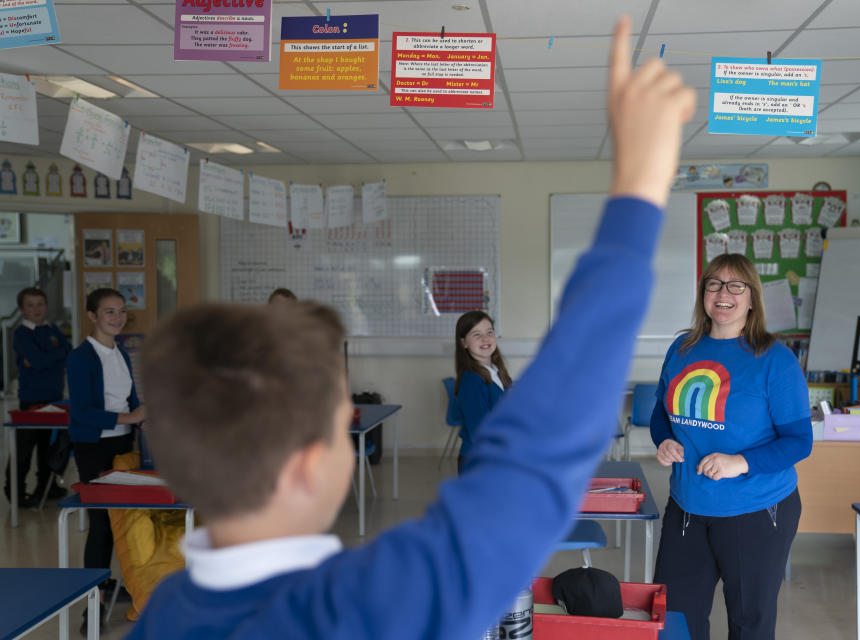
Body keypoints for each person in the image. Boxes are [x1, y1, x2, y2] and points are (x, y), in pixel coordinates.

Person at [128, 16, 695, 639]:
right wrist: (641, 184)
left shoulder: (164, 613)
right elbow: (534, 460)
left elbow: (534, 455)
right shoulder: (373, 605)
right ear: (310, 467)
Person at [650, 254, 813, 640]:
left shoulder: (775, 360)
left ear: (752, 298)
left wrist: (740, 462)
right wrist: (665, 440)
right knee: (675, 622)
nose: (723, 293)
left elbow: (799, 441)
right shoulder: (681, 349)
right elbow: (661, 410)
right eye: (714, 284)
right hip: (687, 508)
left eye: (735, 285)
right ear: (703, 294)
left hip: (756, 511)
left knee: (748, 624)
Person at [67, 288, 146, 631]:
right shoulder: (82, 356)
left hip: (123, 446)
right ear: (92, 316)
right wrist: (130, 418)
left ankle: (118, 582)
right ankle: (92, 607)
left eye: (121, 311)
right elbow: (83, 413)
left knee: (124, 523)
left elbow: (129, 399)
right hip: (94, 448)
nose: (117, 317)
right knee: (101, 526)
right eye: (109, 312)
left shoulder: (121, 353)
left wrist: (143, 417)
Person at [5, 287, 71, 506]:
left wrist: (43, 358)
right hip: (32, 401)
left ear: (46, 305)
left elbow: (68, 351)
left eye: (40, 304)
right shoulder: (22, 334)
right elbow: (45, 359)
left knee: (48, 449)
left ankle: (46, 487)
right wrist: (53, 356)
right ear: (22, 309)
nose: (36, 309)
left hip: (54, 400)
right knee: (24, 451)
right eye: (30, 305)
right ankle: (15, 492)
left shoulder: (52, 329)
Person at [454, 310, 513, 474]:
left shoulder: (497, 372)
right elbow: (479, 432)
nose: (485, 338)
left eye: (489, 332)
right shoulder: (472, 382)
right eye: (476, 334)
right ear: (463, 343)